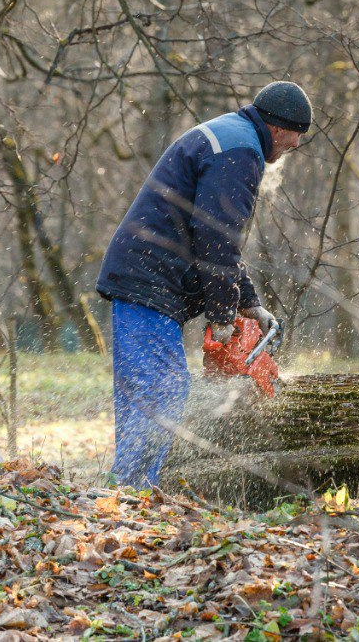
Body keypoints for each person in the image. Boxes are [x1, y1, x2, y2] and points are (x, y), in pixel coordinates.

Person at [96, 82, 311, 487]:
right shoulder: (240, 151)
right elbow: (216, 239)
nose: (295, 146)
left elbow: (216, 241)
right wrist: (222, 314)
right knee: (163, 390)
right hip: (148, 279)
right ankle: (131, 492)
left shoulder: (234, 136)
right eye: (296, 137)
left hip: (146, 274)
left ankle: (129, 488)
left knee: (152, 390)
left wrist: (249, 303)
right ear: (280, 129)